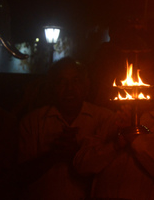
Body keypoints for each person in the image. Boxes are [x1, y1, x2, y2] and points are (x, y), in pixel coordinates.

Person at [74, 58, 154, 200]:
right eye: (131, 77)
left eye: (141, 78)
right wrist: (115, 145)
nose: (134, 84)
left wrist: (136, 138)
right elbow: (81, 166)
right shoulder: (114, 119)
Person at [16, 57, 115, 200]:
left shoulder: (106, 119)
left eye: (76, 81)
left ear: (87, 85)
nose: (69, 89)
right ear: (52, 87)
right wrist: (53, 155)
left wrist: (79, 155)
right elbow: (18, 176)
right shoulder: (32, 122)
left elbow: (112, 175)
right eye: (62, 82)